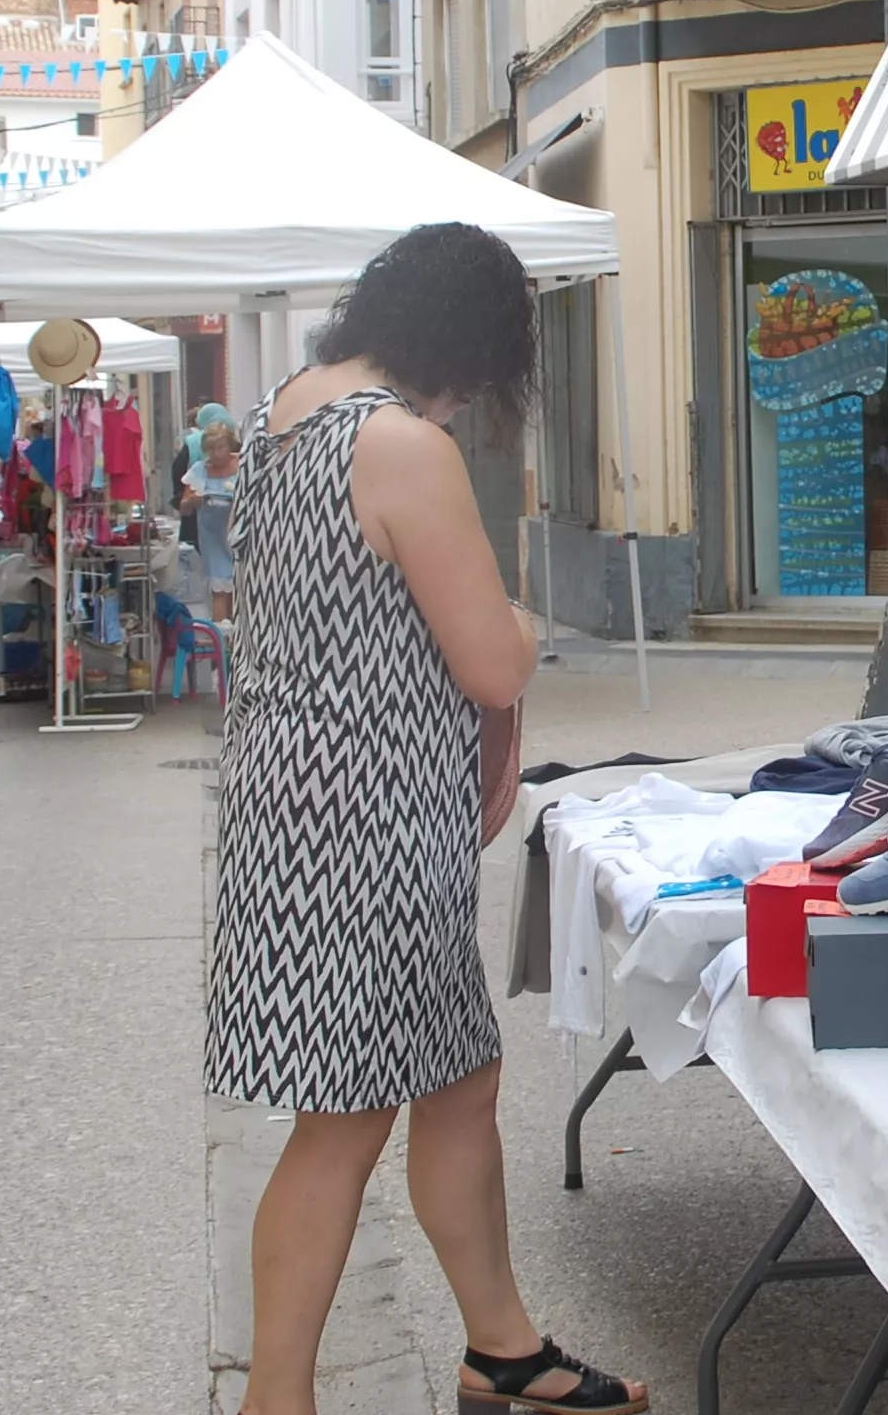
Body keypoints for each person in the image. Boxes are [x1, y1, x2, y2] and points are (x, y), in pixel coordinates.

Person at [204, 224, 640, 1415]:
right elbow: (492, 659)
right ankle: (274, 1399)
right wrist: (526, 625)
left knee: (456, 1077)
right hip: (370, 827)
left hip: (297, 805)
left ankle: (502, 1348)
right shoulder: (399, 442)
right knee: (340, 1122)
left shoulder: (285, 412)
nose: (472, 399)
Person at [178, 421, 241, 620]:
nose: (217, 453)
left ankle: (240, 633)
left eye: (221, 447)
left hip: (242, 536)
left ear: (230, 445)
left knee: (241, 589)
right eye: (212, 449)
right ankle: (221, 636)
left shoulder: (243, 464)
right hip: (213, 540)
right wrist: (192, 501)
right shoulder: (200, 470)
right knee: (220, 590)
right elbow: (184, 509)